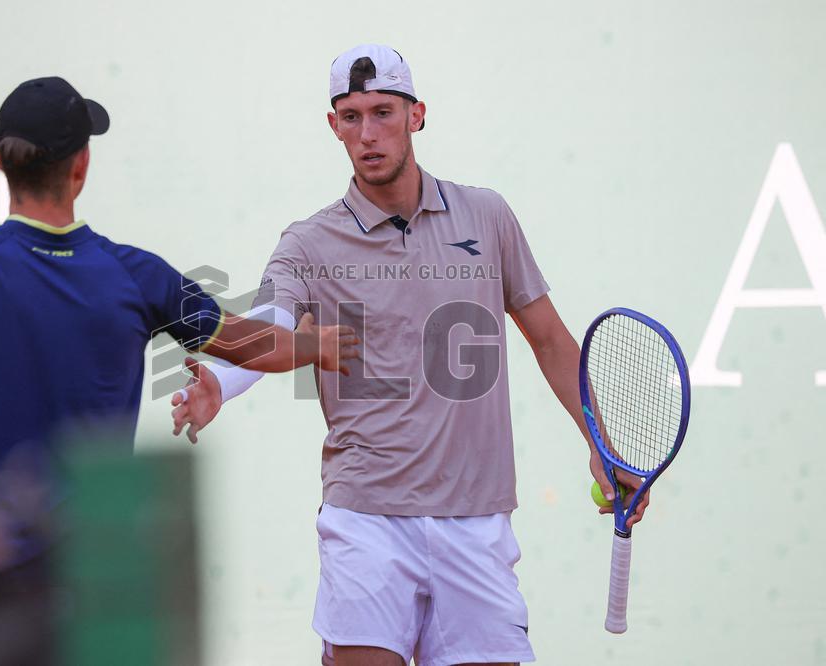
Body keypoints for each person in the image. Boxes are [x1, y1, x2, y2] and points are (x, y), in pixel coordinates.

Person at [171, 45, 649, 666]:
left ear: (417, 114)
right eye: (350, 116)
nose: (367, 134)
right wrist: (221, 378)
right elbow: (272, 321)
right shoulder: (308, 242)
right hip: (365, 519)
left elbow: (552, 341)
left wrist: (601, 443)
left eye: (383, 113)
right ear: (333, 125)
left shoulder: (489, 215)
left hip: (476, 521)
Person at [0, 76, 358, 588]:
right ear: (81, 166)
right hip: (88, 594)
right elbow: (251, 344)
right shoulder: (141, 275)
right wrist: (316, 345)